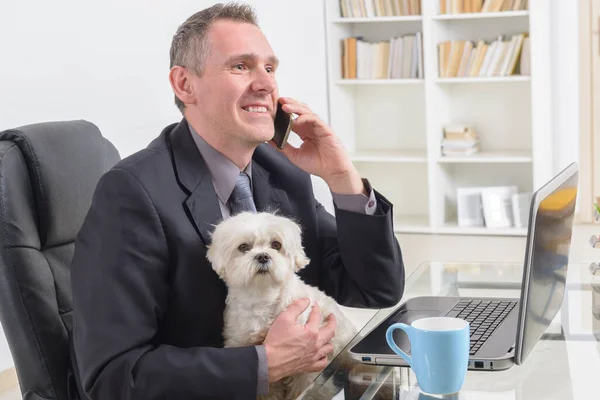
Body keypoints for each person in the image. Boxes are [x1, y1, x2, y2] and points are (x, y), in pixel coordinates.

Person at [70, 2, 405, 399]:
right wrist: (266, 361)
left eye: (269, 68)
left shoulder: (281, 170)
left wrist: (342, 178)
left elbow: (375, 289)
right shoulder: (130, 194)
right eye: (241, 66)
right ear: (184, 85)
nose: (265, 84)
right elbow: (111, 378)